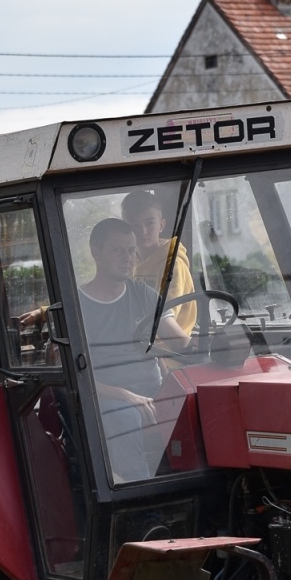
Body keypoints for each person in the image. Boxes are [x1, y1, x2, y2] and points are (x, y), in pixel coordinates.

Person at [79, 218, 189, 482]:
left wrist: (215, 343)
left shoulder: (144, 295)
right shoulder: (78, 305)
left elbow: (179, 341)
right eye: (117, 250)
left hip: (153, 392)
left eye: (131, 250)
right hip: (106, 399)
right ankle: (142, 507)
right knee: (123, 418)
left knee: (198, 404)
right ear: (96, 251)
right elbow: (77, 376)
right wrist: (126, 396)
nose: (127, 258)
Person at [121, 189, 196, 335]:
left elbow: (165, 318)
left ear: (161, 225)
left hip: (168, 349)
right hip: (138, 343)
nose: (143, 231)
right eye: (135, 225)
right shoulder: (127, 263)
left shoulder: (173, 264)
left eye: (150, 223)